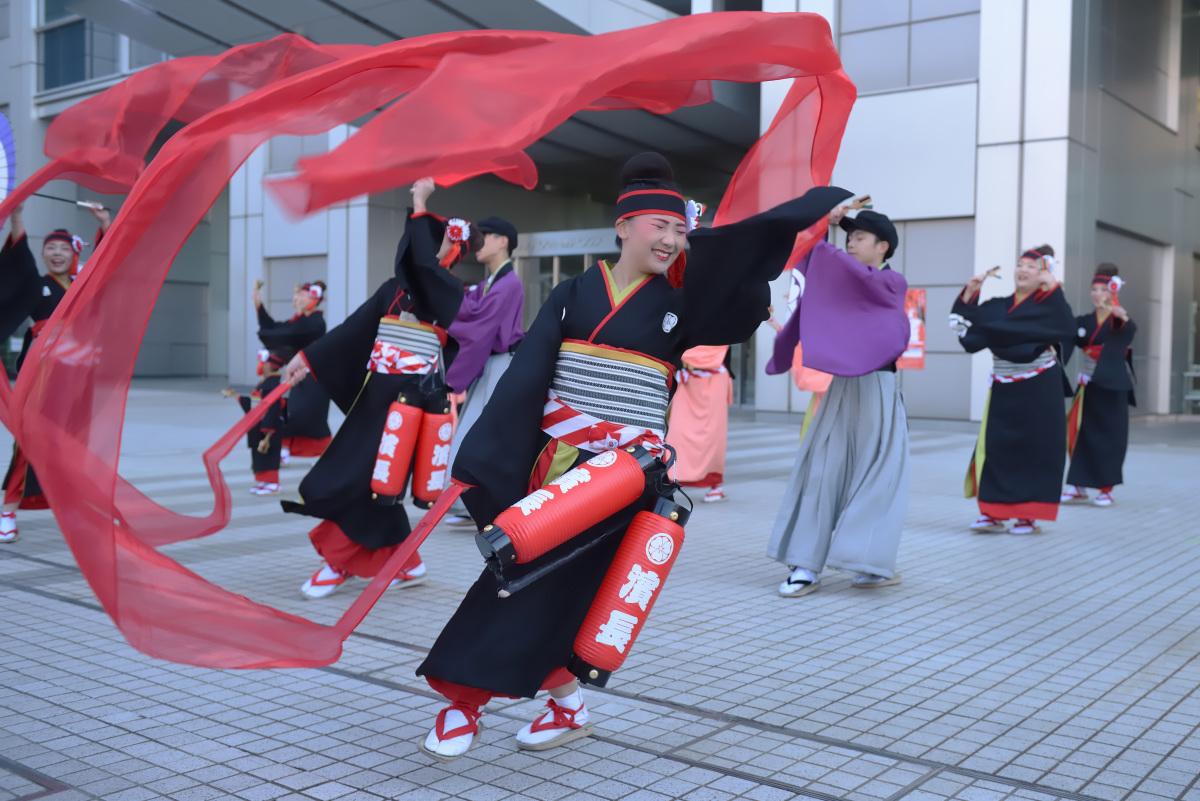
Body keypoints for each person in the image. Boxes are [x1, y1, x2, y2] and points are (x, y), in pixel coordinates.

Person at [414, 152, 851, 762]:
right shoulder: (571, 294)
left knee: (577, 594)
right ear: (623, 228)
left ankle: (546, 705)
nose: (673, 240)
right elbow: (526, 379)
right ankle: (476, 702)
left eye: (681, 230)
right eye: (660, 227)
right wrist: (485, 462)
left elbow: (738, 276)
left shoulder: (684, 301)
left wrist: (806, 216)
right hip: (558, 467)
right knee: (516, 584)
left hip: (628, 478)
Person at [280, 178, 471, 598]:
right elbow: (352, 331)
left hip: (411, 402)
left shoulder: (449, 292)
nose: (424, 250)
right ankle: (408, 560)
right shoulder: (393, 290)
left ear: (451, 251)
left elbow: (424, 269)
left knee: (372, 478)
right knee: (367, 477)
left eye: (436, 243)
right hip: (375, 398)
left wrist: (420, 202)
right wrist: (306, 360)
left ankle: (339, 561)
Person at [765, 207, 911, 597]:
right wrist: (820, 223)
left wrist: (823, 237)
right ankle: (805, 565)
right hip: (843, 387)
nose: (850, 241)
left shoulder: (892, 280)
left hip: (879, 386)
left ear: (883, 247)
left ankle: (867, 561)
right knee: (821, 469)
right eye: (849, 235)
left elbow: (850, 276)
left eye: (860, 237)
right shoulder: (843, 276)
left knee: (878, 473)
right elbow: (812, 260)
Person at [1, 200, 111, 543]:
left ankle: (73, 510)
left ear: (74, 252)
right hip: (41, 373)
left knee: (74, 443)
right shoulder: (36, 285)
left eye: (64, 247)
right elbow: (18, 264)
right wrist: (17, 216)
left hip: (77, 374)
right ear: (44, 255)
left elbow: (110, 263)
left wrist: (105, 222)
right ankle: (7, 508)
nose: (58, 253)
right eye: (51, 248)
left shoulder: (82, 285)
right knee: (28, 441)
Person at [951, 245, 1076, 534]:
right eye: (1020, 265)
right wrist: (970, 294)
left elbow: (1067, 328)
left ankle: (1027, 514)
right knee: (997, 446)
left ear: (1044, 273)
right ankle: (992, 512)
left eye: (1031, 267)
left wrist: (1054, 290)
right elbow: (969, 335)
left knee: (1036, 449)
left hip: (1040, 386)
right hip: (1004, 386)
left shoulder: (1048, 306)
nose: (1023, 270)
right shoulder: (997, 306)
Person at [441, 216, 525, 526]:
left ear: (503, 241)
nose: (479, 242)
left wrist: (453, 378)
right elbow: (468, 309)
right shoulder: (491, 283)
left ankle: (482, 505)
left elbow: (479, 328)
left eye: (485, 236)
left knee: (484, 437)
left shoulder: (508, 284)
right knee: (472, 435)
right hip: (493, 365)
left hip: (500, 367)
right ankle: (468, 504)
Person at [1062, 264, 1136, 506]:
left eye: (1103, 289)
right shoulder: (1083, 321)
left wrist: (1121, 317)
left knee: (1110, 436)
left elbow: (1128, 332)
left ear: (1113, 291)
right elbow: (1063, 338)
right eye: (1094, 289)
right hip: (1087, 385)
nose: (1096, 294)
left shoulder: (1119, 319)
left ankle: (1106, 488)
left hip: (1112, 386)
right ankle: (1078, 485)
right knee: (1078, 431)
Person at [255, 279, 331, 462]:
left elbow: (288, 335)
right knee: (293, 413)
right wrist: (259, 305)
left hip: (316, 377)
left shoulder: (316, 321)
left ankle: (325, 453)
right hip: (300, 376)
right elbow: (282, 331)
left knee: (310, 417)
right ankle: (285, 449)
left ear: (314, 298)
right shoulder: (302, 321)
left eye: (302, 296)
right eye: (299, 296)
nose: (299, 299)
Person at [222, 348, 294, 495]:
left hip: (268, 428)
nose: (259, 366)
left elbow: (273, 411)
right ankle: (264, 482)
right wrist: (236, 396)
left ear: (268, 366)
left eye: (262, 363)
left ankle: (273, 484)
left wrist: (267, 435)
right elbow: (256, 405)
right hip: (259, 426)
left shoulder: (272, 385)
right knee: (260, 456)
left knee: (268, 453)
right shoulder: (265, 383)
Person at [666, 345, 733, 503]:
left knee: (713, 435)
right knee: (677, 433)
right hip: (688, 377)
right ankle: (670, 478)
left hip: (712, 378)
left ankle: (715, 485)